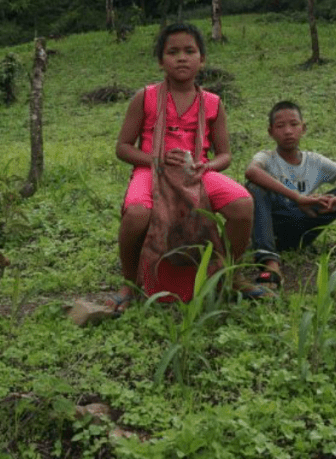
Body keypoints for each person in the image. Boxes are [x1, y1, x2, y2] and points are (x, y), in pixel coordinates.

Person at [107, 23, 262, 314]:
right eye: (172, 52)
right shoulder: (146, 97)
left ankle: (229, 273)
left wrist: (208, 165)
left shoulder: (213, 103)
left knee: (242, 204)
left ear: (202, 59)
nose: (182, 58)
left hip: (197, 174)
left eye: (190, 51)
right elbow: (123, 148)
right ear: (160, 60)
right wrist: (156, 160)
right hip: (151, 171)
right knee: (137, 213)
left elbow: (224, 155)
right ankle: (129, 282)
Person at [244, 100, 336, 289]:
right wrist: (298, 198)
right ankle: (270, 263)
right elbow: (252, 172)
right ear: (271, 132)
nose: (288, 131)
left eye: (294, 124)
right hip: (274, 227)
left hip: (305, 224)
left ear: (303, 128)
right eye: (280, 126)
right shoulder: (266, 158)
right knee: (255, 187)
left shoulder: (314, 161)